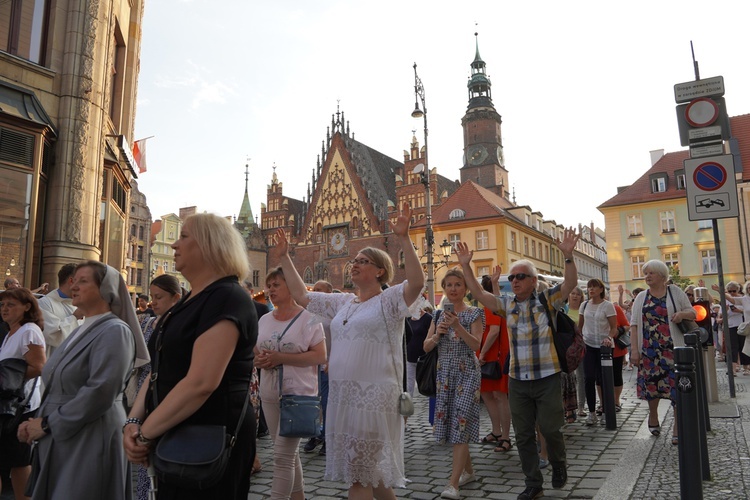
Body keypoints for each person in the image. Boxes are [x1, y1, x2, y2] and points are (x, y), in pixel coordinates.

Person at [270, 202, 424, 500]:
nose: (355, 263)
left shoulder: (389, 300)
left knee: (358, 477)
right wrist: (286, 257)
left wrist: (404, 238)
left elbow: (416, 282)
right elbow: (302, 296)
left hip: (373, 397)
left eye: (363, 261)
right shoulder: (343, 303)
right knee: (373, 475)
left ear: (380, 271)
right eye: (354, 259)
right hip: (344, 397)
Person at [123, 213, 258, 500]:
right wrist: (134, 421)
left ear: (210, 245)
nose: (174, 244)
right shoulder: (189, 300)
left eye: (184, 236)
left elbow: (201, 382)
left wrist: (146, 433)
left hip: (208, 441)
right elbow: (159, 369)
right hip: (177, 435)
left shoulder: (227, 297)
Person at [456, 227, 580, 500]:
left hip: (547, 376)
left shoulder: (547, 299)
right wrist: (465, 266)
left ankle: (558, 464)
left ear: (534, 280)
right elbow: (477, 292)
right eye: (512, 277)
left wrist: (568, 256)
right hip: (517, 379)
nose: (514, 281)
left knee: (549, 428)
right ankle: (533, 483)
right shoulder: (506, 304)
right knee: (523, 435)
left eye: (520, 277)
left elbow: (570, 284)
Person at [18, 260, 148, 500]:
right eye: (73, 281)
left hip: (90, 435)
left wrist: (47, 423)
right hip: (66, 432)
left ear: (106, 289)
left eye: (83, 281)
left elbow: (100, 391)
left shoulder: (115, 331)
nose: (74, 286)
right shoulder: (82, 328)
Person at [256, 267, 326, 499]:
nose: (270, 289)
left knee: (282, 457)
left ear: (291, 287)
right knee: (289, 454)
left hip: (297, 395)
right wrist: (260, 360)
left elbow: (319, 356)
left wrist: (281, 358)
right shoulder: (264, 319)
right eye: (269, 285)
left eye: (276, 285)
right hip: (269, 393)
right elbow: (255, 353)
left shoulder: (309, 319)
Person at [422, 268, 483, 499]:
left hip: (467, 372)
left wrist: (458, 326)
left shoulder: (474, 313)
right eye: (449, 285)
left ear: (465, 288)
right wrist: (438, 334)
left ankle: (453, 483)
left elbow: (476, 345)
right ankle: (468, 471)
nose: (453, 289)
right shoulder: (438, 315)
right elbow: (426, 347)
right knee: (455, 423)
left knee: (461, 421)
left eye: (458, 284)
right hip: (445, 373)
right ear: (444, 288)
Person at [629, 259, 695, 447]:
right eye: (645, 273)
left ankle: (676, 427)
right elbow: (633, 325)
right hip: (649, 351)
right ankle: (653, 415)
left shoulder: (675, 292)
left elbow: (693, 313)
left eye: (651, 273)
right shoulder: (641, 297)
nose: (647, 276)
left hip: (673, 350)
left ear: (662, 275)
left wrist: (681, 314)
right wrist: (634, 351)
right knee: (652, 387)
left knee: (677, 390)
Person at [132, 275, 182, 500]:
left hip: (166, 393)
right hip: (146, 390)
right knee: (145, 459)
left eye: (159, 297)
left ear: (176, 298)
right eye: (152, 297)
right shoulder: (148, 322)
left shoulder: (180, 326)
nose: (153, 302)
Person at [0, 288, 46, 500]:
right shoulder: (11, 332)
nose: (4, 309)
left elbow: (38, 366)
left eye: (11, 304)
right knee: (15, 462)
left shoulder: (28, 330)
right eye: (2, 305)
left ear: (27, 307)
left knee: (19, 462)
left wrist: (6, 382)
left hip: (19, 406)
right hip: (10, 405)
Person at [477, 273, 512, 452]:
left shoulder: (490, 306)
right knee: (488, 395)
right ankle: (497, 432)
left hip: (493, 356)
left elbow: (494, 331)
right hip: (489, 355)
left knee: (498, 396)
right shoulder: (495, 302)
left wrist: (481, 354)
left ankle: (505, 436)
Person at [578, 278, 617, 426]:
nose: (591, 290)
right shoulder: (584, 305)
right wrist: (578, 339)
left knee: (603, 378)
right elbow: (580, 326)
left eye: (594, 287)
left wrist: (609, 337)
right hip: (588, 345)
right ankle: (592, 413)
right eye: (589, 287)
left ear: (601, 289)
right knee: (589, 378)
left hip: (604, 347)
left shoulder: (608, 306)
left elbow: (614, 327)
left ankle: (607, 408)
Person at [303, 280, 333, 456]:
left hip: (328, 365)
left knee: (326, 403)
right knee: (314, 404)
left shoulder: (334, 312)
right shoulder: (309, 312)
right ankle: (314, 433)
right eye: (314, 290)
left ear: (329, 292)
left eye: (319, 290)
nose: (315, 293)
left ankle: (328, 437)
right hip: (311, 366)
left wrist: (333, 359)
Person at [37, 263, 82, 357]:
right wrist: (75, 317)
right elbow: (53, 336)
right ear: (71, 281)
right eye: (83, 281)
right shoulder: (44, 304)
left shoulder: (80, 305)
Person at [713, 281, 750, 374]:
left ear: (738, 290)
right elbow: (720, 316)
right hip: (734, 326)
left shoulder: (742, 298)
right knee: (734, 347)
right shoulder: (743, 299)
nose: (732, 293)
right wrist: (720, 291)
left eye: (734, 291)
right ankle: (733, 369)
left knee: (744, 347)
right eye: (730, 291)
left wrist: (739, 311)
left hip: (742, 325)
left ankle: (746, 367)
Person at [567, 286, 586, 420]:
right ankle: (568, 407)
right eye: (572, 293)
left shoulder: (583, 309)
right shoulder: (564, 309)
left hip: (580, 347)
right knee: (568, 378)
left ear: (581, 297)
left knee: (581, 377)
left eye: (577, 294)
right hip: (567, 347)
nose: (574, 296)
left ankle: (581, 406)